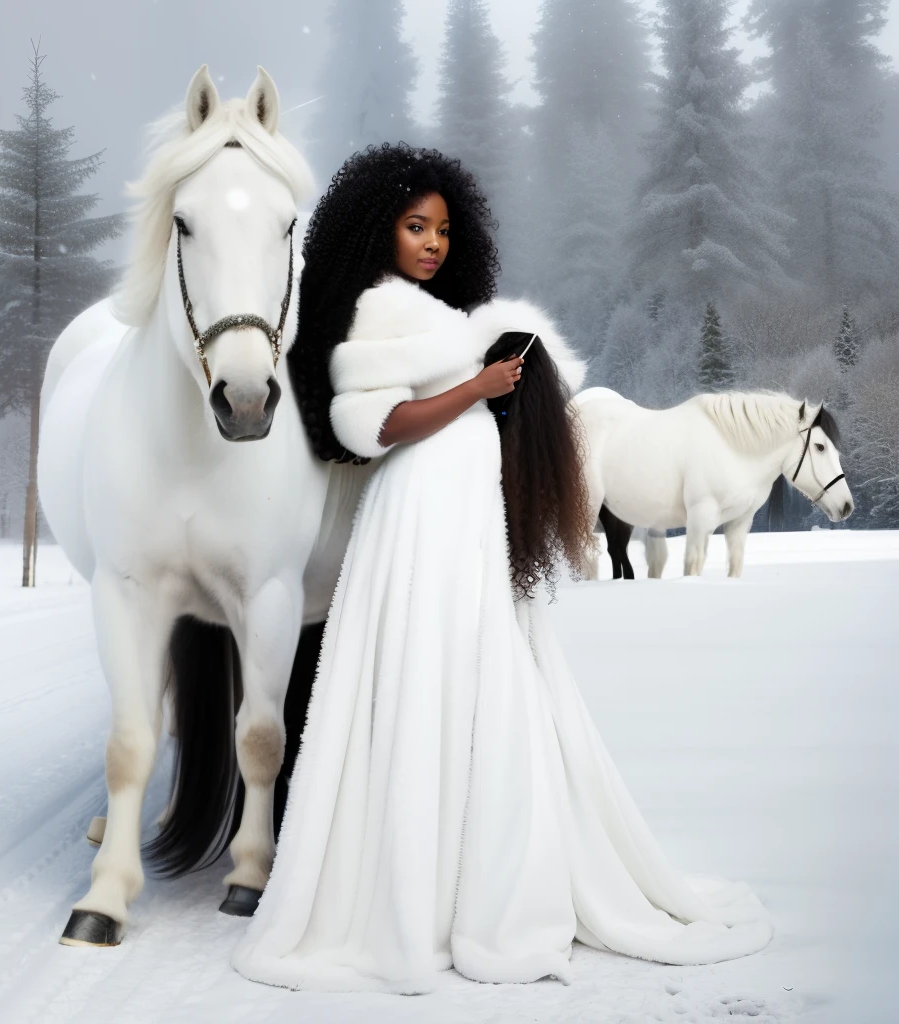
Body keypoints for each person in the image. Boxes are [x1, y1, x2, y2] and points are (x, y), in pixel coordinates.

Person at [232, 142, 772, 993]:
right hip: (417, 517)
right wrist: (477, 386)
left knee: (482, 686)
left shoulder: (444, 314)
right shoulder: (378, 310)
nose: (433, 242)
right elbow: (377, 426)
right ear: (380, 231)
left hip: (464, 520)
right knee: (427, 681)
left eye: (444, 229)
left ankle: (472, 875)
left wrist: (508, 386)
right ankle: (423, 892)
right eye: (416, 227)